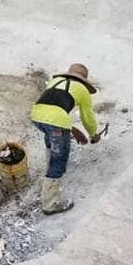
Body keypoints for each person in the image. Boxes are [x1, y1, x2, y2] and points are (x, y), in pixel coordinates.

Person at [29, 63, 100, 215]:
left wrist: (70, 129)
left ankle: (48, 174)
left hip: (36, 117)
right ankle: (50, 204)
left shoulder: (55, 82)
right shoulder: (82, 90)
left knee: (52, 138)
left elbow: (51, 108)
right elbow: (87, 117)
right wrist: (93, 135)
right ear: (84, 81)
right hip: (56, 123)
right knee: (59, 160)